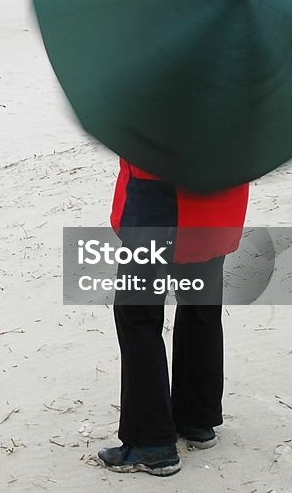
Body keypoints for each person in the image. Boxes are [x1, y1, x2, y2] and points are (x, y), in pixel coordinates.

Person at [96, 158, 249, 476]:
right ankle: (197, 421)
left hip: (160, 198)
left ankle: (151, 444)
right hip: (219, 198)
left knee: (137, 315)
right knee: (201, 307)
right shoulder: (239, 104)